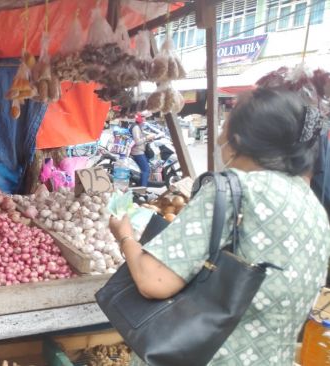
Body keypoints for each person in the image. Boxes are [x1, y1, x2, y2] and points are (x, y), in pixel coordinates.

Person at [109, 89, 329, 365]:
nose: (220, 137)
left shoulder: (236, 189)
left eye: (225, 125)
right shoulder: (313, 206)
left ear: (238, 140)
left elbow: (154, 282)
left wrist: (125, 235)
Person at [129, 113, 154, 187]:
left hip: (139, 151)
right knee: (146, 170)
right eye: (143, 117)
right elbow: (137, 142)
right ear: (139, 118)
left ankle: (140, 187)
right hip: (137, 152)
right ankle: (142, 190)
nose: (145, 119)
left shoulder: (138, 126)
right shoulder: (136, 127)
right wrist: (147, 138)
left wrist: (148, 139)